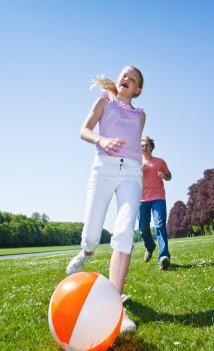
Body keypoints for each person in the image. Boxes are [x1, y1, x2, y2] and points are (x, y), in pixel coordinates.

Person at [66, 66, 145, 332]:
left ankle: (115, 308)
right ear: (118, 80)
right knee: (91, 235)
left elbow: (134, 144)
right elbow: (84, 130)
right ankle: (86, 252)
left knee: (124, 233)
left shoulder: (140, 115)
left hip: (131, 174)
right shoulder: (104, 100)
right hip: (103, 169)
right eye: (124, 75)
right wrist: (102, 139)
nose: (126, 79)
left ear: (138, 90)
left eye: (133, 79)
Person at [139, 136, 172, 270]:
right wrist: (139, 172)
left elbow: (169, 176)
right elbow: (129, 180)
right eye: (141, 146)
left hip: (158, 197)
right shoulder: (135, 162)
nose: (144, 147)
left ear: (151, 147)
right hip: (141, 199)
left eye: (146, 145)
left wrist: (164, 176)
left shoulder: (160, 162)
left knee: (160, 225)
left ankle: (164, 257)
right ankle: (150, 247)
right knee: (143, 229)